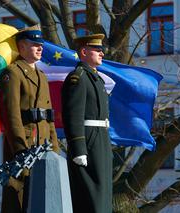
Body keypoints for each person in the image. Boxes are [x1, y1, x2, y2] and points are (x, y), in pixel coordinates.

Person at [0, 25, 59, 213]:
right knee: (19, 200)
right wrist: (20, 152)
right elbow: (11, 116)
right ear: (21, 47)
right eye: (34, 44)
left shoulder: (41, 76)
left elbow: (49, 117)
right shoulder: (13, 73)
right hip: (23, 147)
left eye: (41, 45)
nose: (40, 48)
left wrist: (54, 149)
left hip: (43, 148)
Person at [61, 33, 112, 213]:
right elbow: (72, 115)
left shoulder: (95, 78)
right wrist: (78, 148)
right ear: (84, 51)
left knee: (103, 195)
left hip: (100, 140)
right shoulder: (79, 77)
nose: (102, 53)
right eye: (97, 49)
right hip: (88, 142)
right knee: (91, 197)